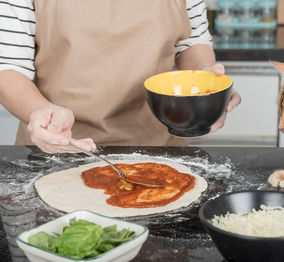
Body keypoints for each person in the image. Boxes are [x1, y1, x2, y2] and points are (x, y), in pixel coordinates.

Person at [0, 0, 241, 154]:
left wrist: (206, 86)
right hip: (60, 145)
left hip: (159, 146)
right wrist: (45, 115)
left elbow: (191, 41)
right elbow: (9, 66)